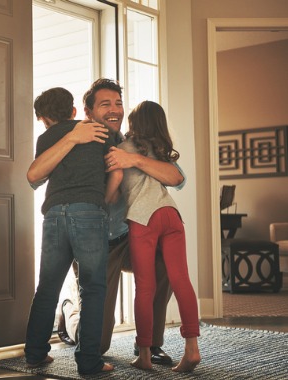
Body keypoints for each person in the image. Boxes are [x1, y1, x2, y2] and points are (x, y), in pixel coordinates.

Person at [28, 78, 185, 366]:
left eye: (118, 103)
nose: (114, 110)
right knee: (97, 339)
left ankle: (149, 344)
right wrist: (74, 138)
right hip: (96, 238)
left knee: (163, 262)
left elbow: (177, 178)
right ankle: (70, 316)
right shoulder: (77, 138)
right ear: (86, 113)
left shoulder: (131, 143)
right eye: (105, 104)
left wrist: (133, 160)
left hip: (128, 236)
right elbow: (35, 177)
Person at [24, 87, 117, 375]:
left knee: (47, 288)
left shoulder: (46, 138)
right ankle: (89, 362)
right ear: (75, 111)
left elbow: (37, 177)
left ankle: (35, 353)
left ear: (43, 119)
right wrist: (104, 200)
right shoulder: (99, 131)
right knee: (92, 288)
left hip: (54, 214)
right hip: (89, 210)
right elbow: (117, 170)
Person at [115, 100, 200, 372]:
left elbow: (116, 187)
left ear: (134, 123)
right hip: (171, 214)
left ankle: (144, 354)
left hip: (143, 217)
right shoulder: (161, 152)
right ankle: (192, 349)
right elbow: (176, 180)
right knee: (181, 280)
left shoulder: (122, 149)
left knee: (145, 287)